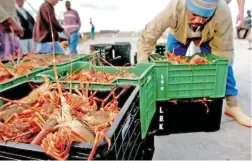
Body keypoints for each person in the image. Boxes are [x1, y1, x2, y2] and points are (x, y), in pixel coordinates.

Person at [137, 0, 251, 128]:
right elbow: (147, 37)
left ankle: (233, 105)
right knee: (169, 67)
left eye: (204, 16)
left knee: (223, 63)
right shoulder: (174, 8)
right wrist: (143, 70)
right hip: (179, 34)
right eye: (194, 14)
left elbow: (224, 52)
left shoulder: (222, 12)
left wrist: (219, 66)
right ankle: (167, 102)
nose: (198, 20)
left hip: (208, 35)